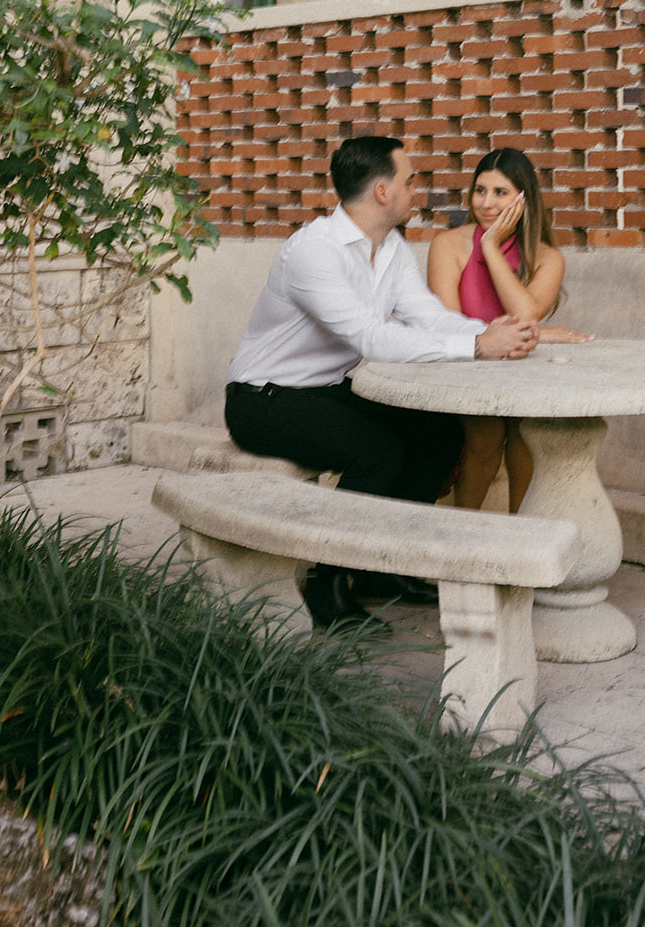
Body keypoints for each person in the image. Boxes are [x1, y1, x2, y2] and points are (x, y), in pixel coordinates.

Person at [225, 134, 540, 628]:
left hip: (325, 391)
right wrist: (478, 347)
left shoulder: (389, 247)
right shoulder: (314, 251)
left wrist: (492, 332)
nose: (417, 189)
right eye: (409, 180)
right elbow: (371, 338)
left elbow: (427, 317)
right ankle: (327, 582)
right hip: (262, 400)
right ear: (381, 192)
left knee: (437, 434)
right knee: (377, 451)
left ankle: (380, 569)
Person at [427, 147, 590, 513]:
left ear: (523, 198)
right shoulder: (447, 246)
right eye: (480, 190)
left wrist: (491, 247)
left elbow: (525, 312)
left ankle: (520, 537)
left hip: (519, 374)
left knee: (526, 432)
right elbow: (446, 326)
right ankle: (462, 534)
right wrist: (541, 334)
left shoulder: (547, 257)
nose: (486, 203)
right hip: (463, 370)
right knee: (486, 433)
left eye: (500, 193)